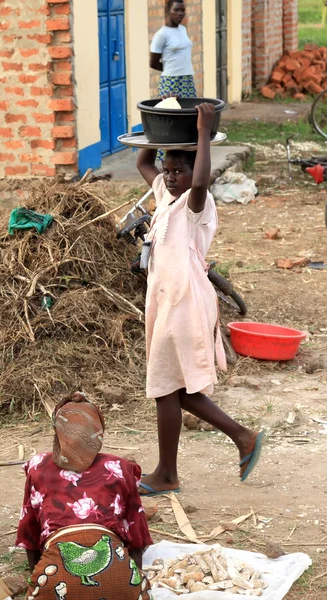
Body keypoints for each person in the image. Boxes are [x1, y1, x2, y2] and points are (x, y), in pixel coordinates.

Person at [136, 103, 264, 497]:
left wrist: (203, 132)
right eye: (169, 170)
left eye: (181, 171)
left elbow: (203, 182)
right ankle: (243, 437)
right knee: (177, 388)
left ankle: (167, 474)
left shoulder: (197, 203)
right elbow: (145, 160)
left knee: (164, 387)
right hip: (166, 300)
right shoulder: (164, 193)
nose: (172, 177)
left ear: (195, 172)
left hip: (185, 302)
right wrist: (151, 128)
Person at [16, 392, 152, 600]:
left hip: (55, 581)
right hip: (118, 578)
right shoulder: (119, 467)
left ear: (57, 432)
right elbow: (137, 537)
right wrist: (134, 578)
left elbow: (30, 537)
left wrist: (39, 576)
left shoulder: (38, 467)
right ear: (98, 434)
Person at [150, 0, 196, 100]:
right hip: (171, 81)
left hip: (187, 79)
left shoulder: (183, 29)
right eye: (176, 10)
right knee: (172, 111)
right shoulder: (161, 35)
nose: (180, 13)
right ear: (168, 11)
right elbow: (153, 63)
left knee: (190, 112)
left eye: (182, 10)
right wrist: (171, 68)